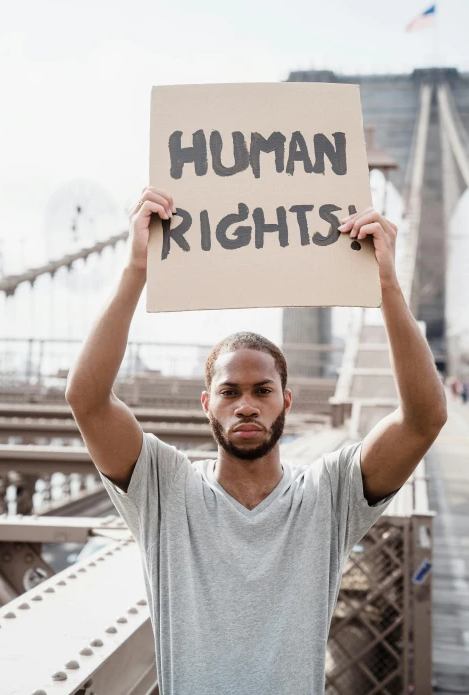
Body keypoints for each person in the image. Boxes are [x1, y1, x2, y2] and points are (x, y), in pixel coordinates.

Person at [65, 186, 448, 695]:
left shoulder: (327, 496)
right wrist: (136, 270)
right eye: (230, 391)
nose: (246, 404)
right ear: (207, 403)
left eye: (262, 390)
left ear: (285, 401)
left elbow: (424, 420)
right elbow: (87, 400)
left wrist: (387, 289)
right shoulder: (165, 489)